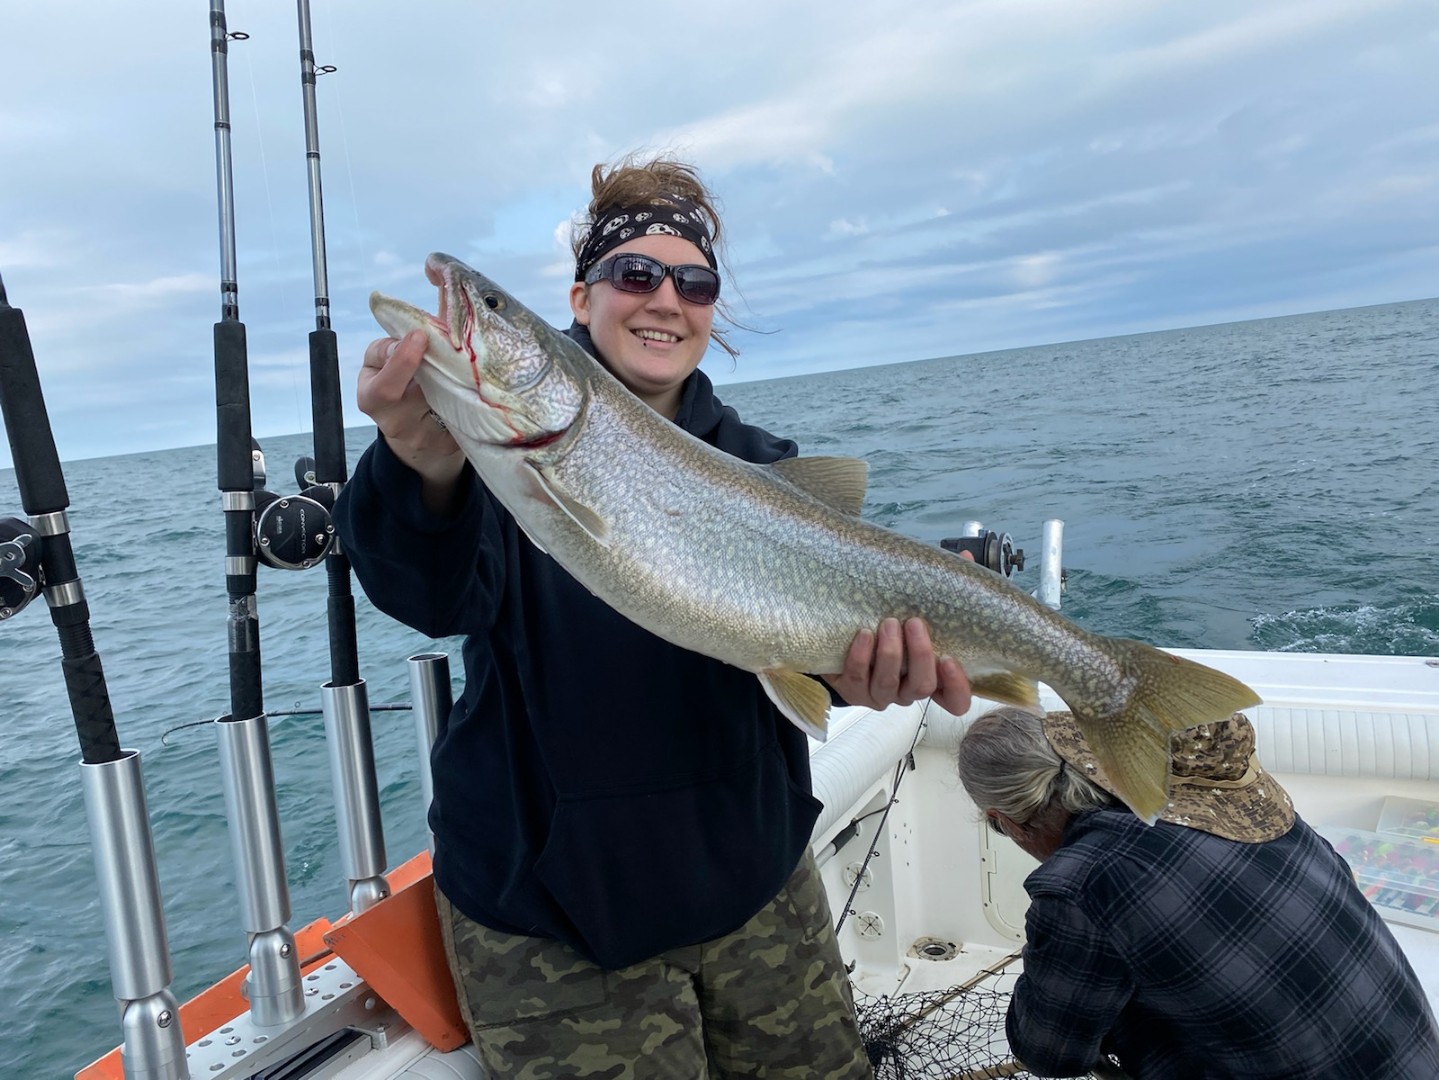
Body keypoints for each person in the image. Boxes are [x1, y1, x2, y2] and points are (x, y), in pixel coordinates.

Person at [333, 154, 973, 1079]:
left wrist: (860, 674)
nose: (666, 299)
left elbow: (803, 658)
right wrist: (415, 460)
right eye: (635, 274)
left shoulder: (764, 465)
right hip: (551, 922)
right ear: (580, 297)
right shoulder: (491, 457)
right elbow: (427, 598)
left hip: (753, 887)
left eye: (694, 283)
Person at [955, 706, 1439, 1079]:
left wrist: (1051, 950)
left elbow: (1049, 1054)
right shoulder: (1228, 795)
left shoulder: (1079, 885)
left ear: (1007, 821)